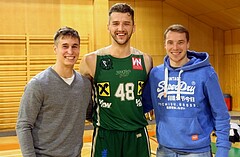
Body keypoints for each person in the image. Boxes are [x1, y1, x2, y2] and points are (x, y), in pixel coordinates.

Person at [142, 24, 231, 157]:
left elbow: (221, 114)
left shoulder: (206, 73)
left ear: (188, 44)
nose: (175, 48)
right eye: (170, 42)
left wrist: (223, 150)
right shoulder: (156, 74)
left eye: (180, 42)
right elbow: (143, 105)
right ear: (165, 45)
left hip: (197, 151)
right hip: (164, 150)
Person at [79, 3, 153, 157]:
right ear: (108, 27)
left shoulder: (145, 60)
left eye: (126, 23)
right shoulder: (91, 60)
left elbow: (147, 98)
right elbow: (83, 99)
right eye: (116, 23)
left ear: (134, 27)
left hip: (137, 135)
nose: (121, 28)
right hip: (106, 135)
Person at [16, 26, 92, 157]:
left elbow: (91, 114)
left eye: (75, 46)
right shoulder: (38, 84)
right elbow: (23, 125)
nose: (70, 51)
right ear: (55, 49)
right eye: (65, 46)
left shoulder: (85, 84)